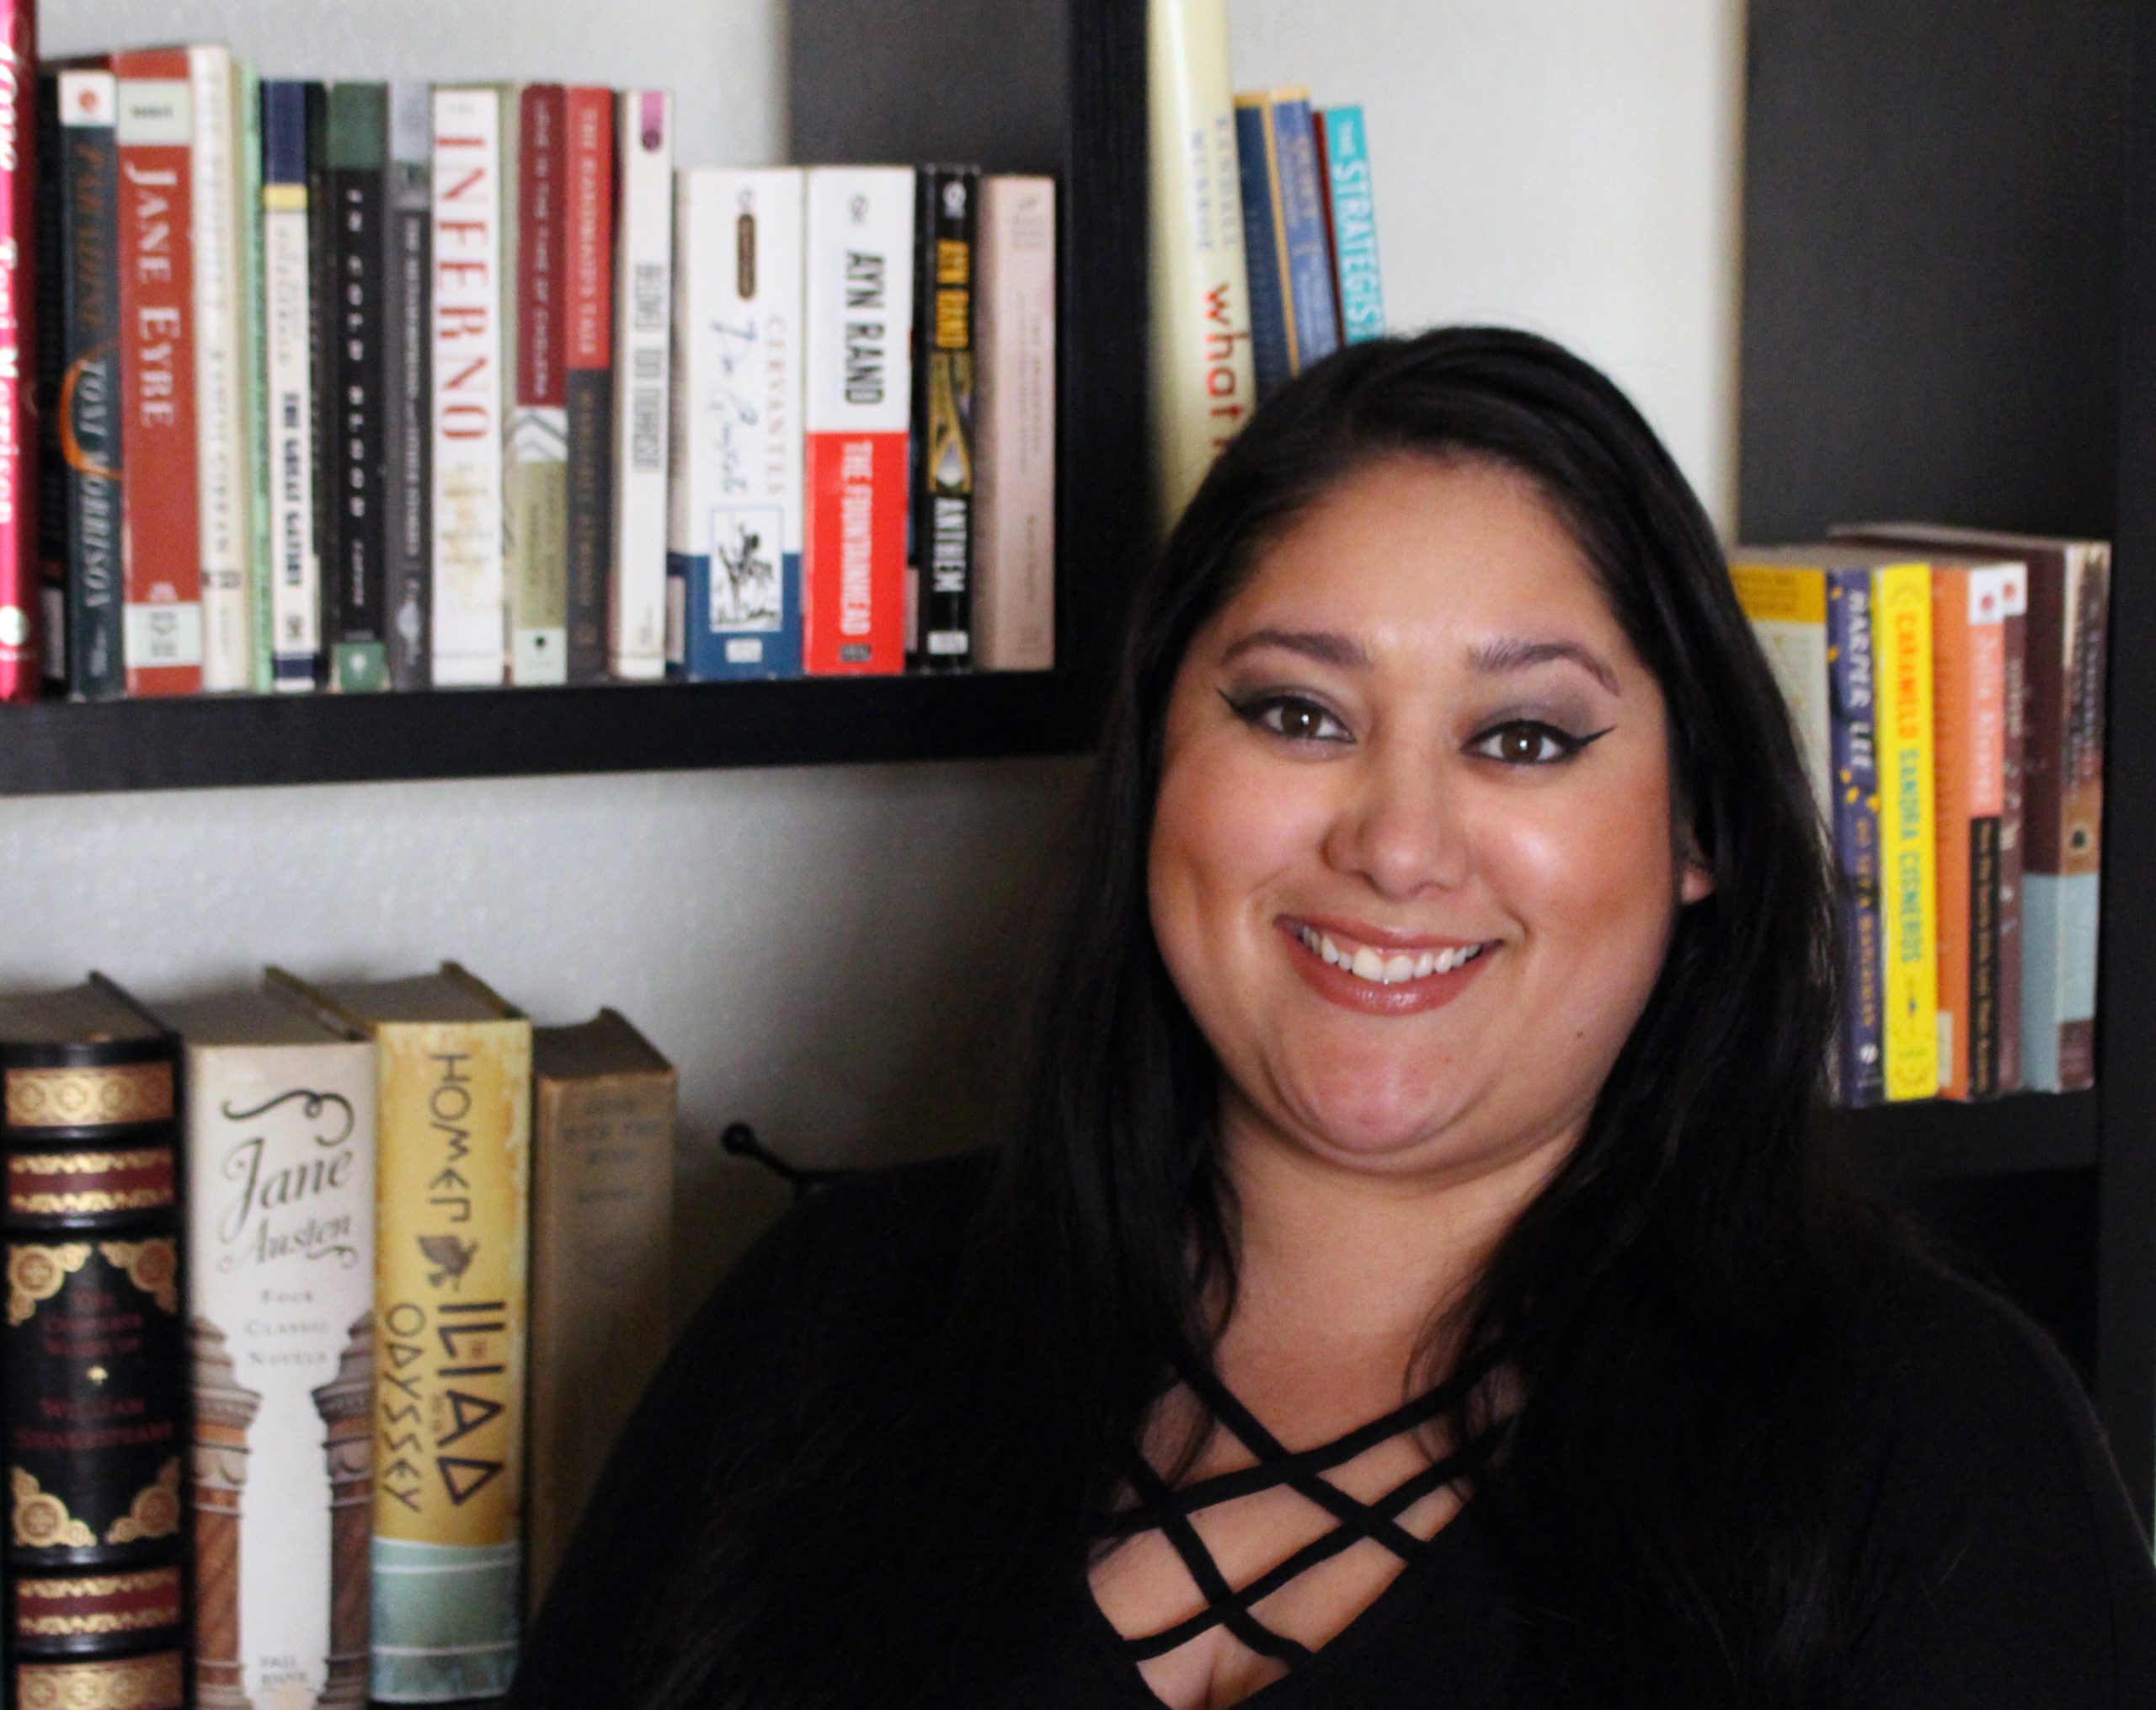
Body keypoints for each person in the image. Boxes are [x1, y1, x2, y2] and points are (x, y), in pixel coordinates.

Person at [508, 328, 2156, 1710]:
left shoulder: (1928, 1441)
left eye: (1519, 738)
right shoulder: (827, 1321)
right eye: (1296, 711)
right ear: (1162, 761)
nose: (1392, 842)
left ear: (1697, 830)